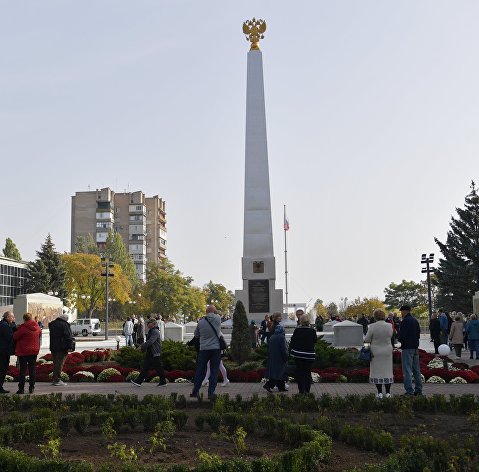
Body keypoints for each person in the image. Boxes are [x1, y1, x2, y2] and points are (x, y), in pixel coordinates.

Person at [190, 305, 222, 400]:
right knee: (214, 371)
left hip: (203, 349)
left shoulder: (201, 322)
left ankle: (195, 391)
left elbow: (196, 334)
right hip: (215, 349)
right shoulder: (218, 318)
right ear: (214, 311)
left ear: (206, 312)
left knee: (200, 370)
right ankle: (211, 393)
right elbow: (216, 314)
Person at [364, 309, 394, 398]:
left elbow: (367, 339)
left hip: (376, 352)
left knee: (377, 372)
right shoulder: (389, 326)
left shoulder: (372, 326)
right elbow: (391, 336)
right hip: (387, 351)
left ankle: (380, 393)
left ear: (375, 316)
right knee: (387, 371)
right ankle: (388, 393)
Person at [131, 318, 167, 387]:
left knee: (157, 368)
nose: (147, 324)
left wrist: (141, 347)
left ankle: (163, 381)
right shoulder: (152, 331)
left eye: (149, 323)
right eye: (147, 323)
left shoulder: (155, 331)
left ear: (153, 323)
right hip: (151, 352)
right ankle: (139, 381)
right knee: (146, 367)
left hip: (154, 352)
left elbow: (150, 341)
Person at [13, 313, 41, 394]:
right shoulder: (37, 327)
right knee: (32, 370)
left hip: (23, 351)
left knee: (23, 370)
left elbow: (15, 336)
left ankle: (21, 389)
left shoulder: (23, 328)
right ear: (31, 318)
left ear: (24, 319)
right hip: (34, 351)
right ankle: (31, 388)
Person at [397, 305, 422, 396]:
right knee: (416, 370)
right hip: (415, 347)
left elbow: (402, 335)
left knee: (407, 370)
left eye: (401, 311)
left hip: (407, 347)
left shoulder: (405, 321)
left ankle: (409, 391)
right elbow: (418, 333)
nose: (401, 313)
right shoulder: (415, 320)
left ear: (405, 311)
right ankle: (419, 390)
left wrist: (399, 339)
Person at [289, 314, 317, 394]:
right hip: (309, 355)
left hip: (298, 355)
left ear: (300, 321)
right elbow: (315, 341)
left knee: (300, 373)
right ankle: (307, 391)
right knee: (307, 373)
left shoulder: (297, 330)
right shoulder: (312, 331)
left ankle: (301, 391)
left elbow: (292, 341)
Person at [49, 314, 75, 386]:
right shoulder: (65, 325)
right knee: (60, 364)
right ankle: (57, 380)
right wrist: (70, 347)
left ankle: (55, 379)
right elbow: (68, 336)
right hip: (62, 347)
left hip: (53, 347)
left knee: (55, 363)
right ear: (65, 319)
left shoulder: (52, 324)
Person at [263, 324, 288, 392]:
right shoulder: (281, 337)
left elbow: (268, 349)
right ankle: (268, 385)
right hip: (280, 358)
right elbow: (284, 349)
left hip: (273, 358)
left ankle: (281, 387)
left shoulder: (272, 337)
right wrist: (286, 357)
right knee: (279, 373)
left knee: (279, 373)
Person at [0, 311, 16, 394]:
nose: (14, 319)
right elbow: (10, 337)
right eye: (12, 317)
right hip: (3, 352)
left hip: (3, 351)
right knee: (2, 369)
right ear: (7, 317)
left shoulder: (3, 324)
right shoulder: (5, 325)